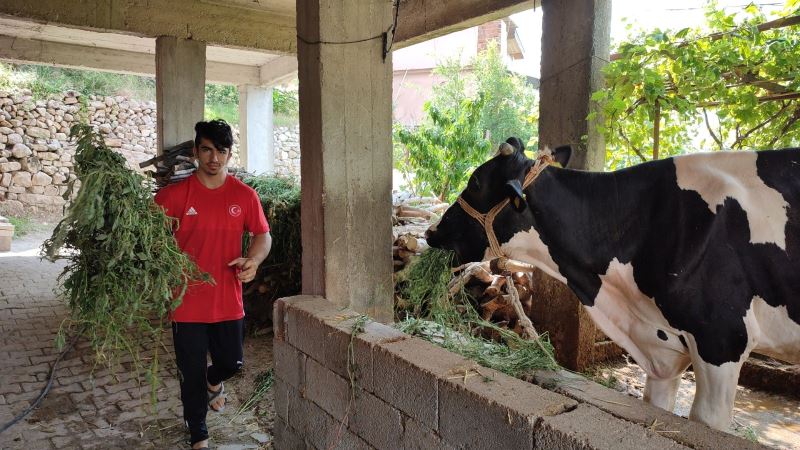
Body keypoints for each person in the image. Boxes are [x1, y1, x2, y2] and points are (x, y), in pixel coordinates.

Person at [154, 119, 271, 450]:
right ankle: (198, 434)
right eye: (207, 149)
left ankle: (214, 379)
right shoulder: (172, 197)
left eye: (221, 151)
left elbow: (263, 235)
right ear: (195, 152)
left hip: (227, 300)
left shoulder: (244, 196)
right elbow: (150, 241)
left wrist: (254, 259)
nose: (214, 158)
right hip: (186, 302)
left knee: (231, 363)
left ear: (229, 154)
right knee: (190, 375)